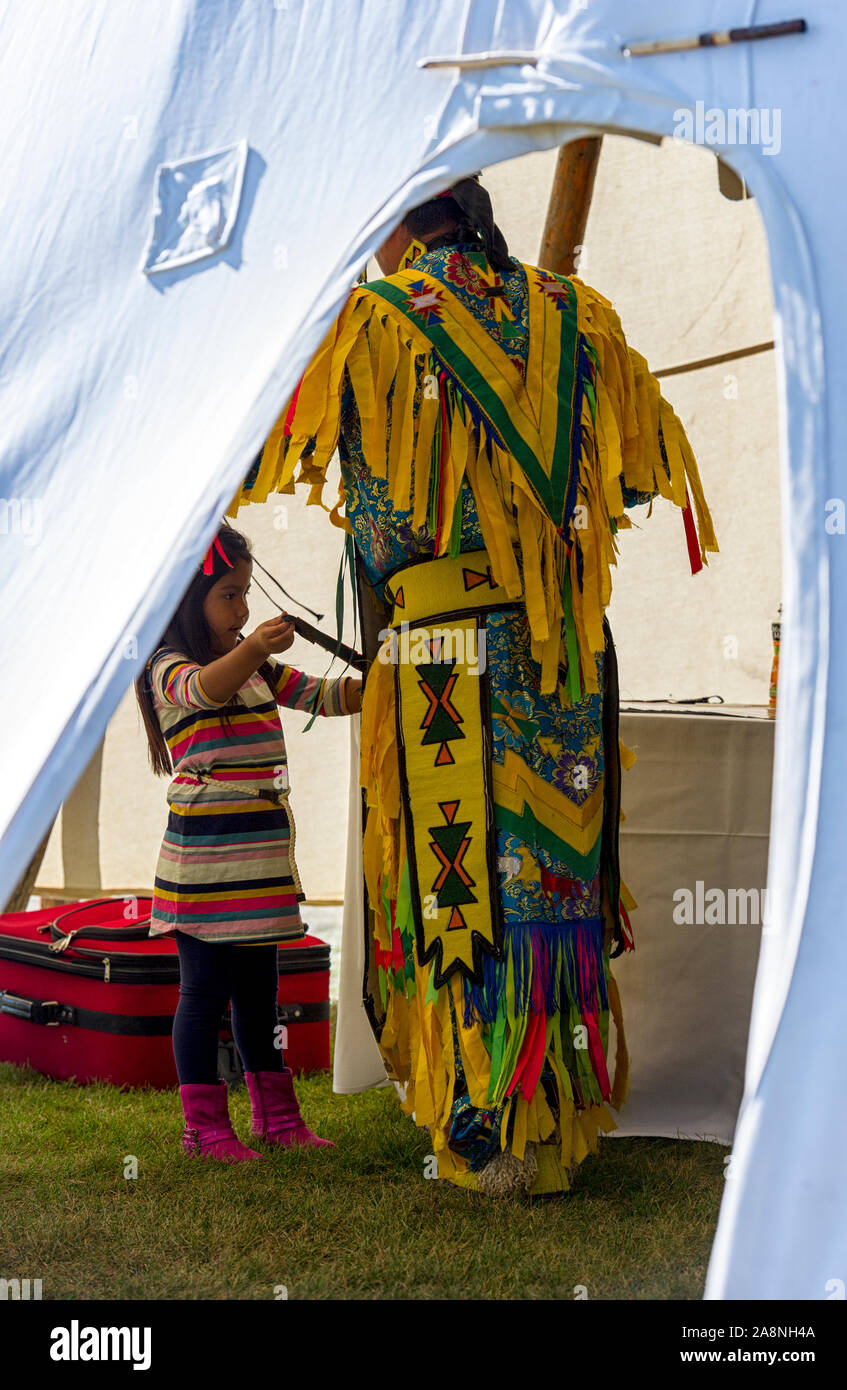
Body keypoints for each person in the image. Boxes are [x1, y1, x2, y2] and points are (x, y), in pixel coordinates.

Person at [229, 173, 718, 1194]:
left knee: (457, 885)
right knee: (547, 876)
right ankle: (551, 1113)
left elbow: (315, 481)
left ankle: (484, 1130)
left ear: (397, 221)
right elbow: (633, 480)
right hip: (558, 660)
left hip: (440, 658)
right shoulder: (577, 318)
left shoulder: (374, 320)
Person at [135, 522, 362, 1162]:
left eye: (244, 595)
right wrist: (256, 647)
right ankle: (204, 1131)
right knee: (203, 995)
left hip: (257, 865)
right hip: (205, 870)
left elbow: (321, 694)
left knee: (261, 997)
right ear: (190, 604)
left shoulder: (256, 668)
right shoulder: (168, 670)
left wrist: (387, 687)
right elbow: (208, 689)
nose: (243, 610)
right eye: (228, 596)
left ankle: (278, 1120)